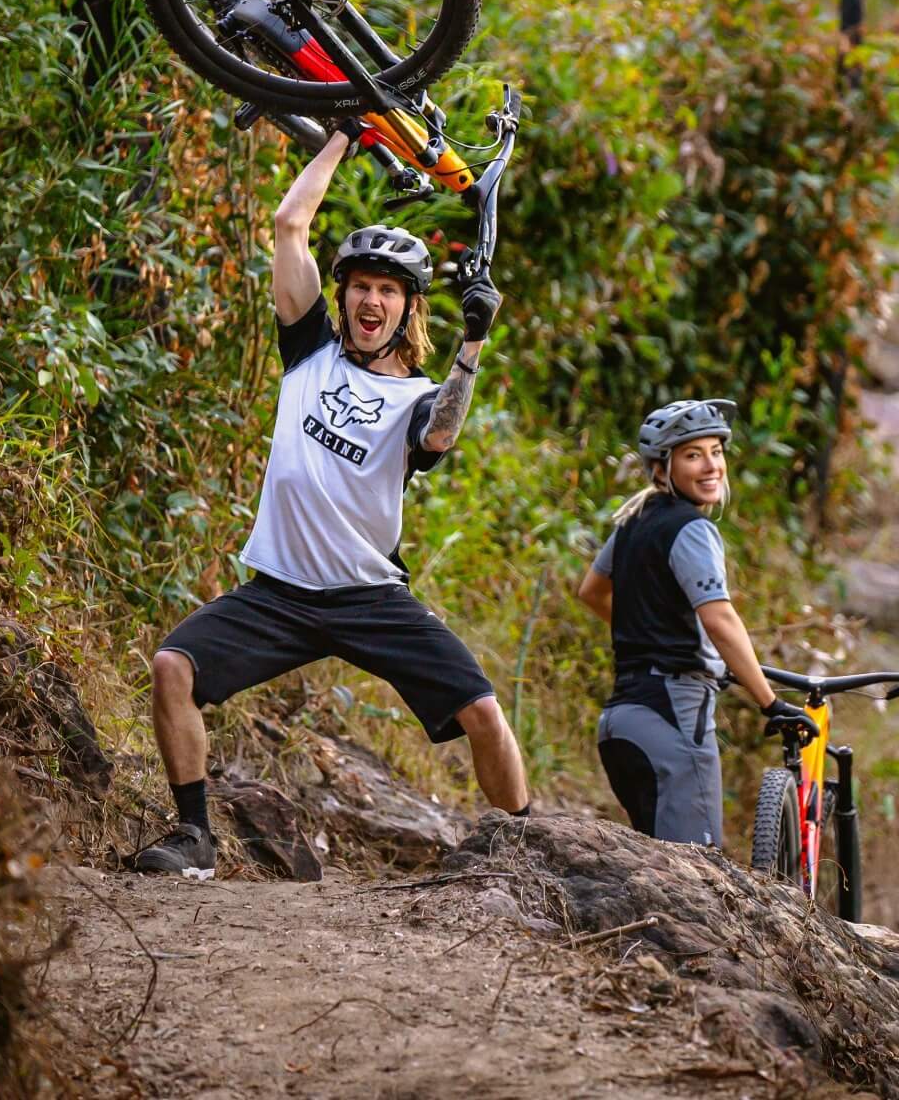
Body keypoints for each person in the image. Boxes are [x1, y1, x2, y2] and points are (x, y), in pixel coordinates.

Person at [135, 131, 528, 880]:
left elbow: (441, 434)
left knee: (481, 711)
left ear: (407, 307)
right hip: (279, 593)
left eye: (387, 289)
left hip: (368, 595)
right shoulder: (308, 352)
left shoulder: (416, 396)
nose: (370, 299)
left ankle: (527, 847)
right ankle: (193, 838)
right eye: (360, 286)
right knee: (171, 666)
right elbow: (289, 225)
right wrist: (347, 132)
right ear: (342, 296)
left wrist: (472, 344)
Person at [573, 399, 817, 846]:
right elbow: (720, 618)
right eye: (692, 455)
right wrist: (769, 701)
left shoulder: (633, 522)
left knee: (655, 873)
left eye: (717, 452)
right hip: (674, 720)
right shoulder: (693, 529)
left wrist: (652, 635)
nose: (711, 466)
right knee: (696, 874)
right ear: (662, 469)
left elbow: (591, 591)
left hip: (621, 722)